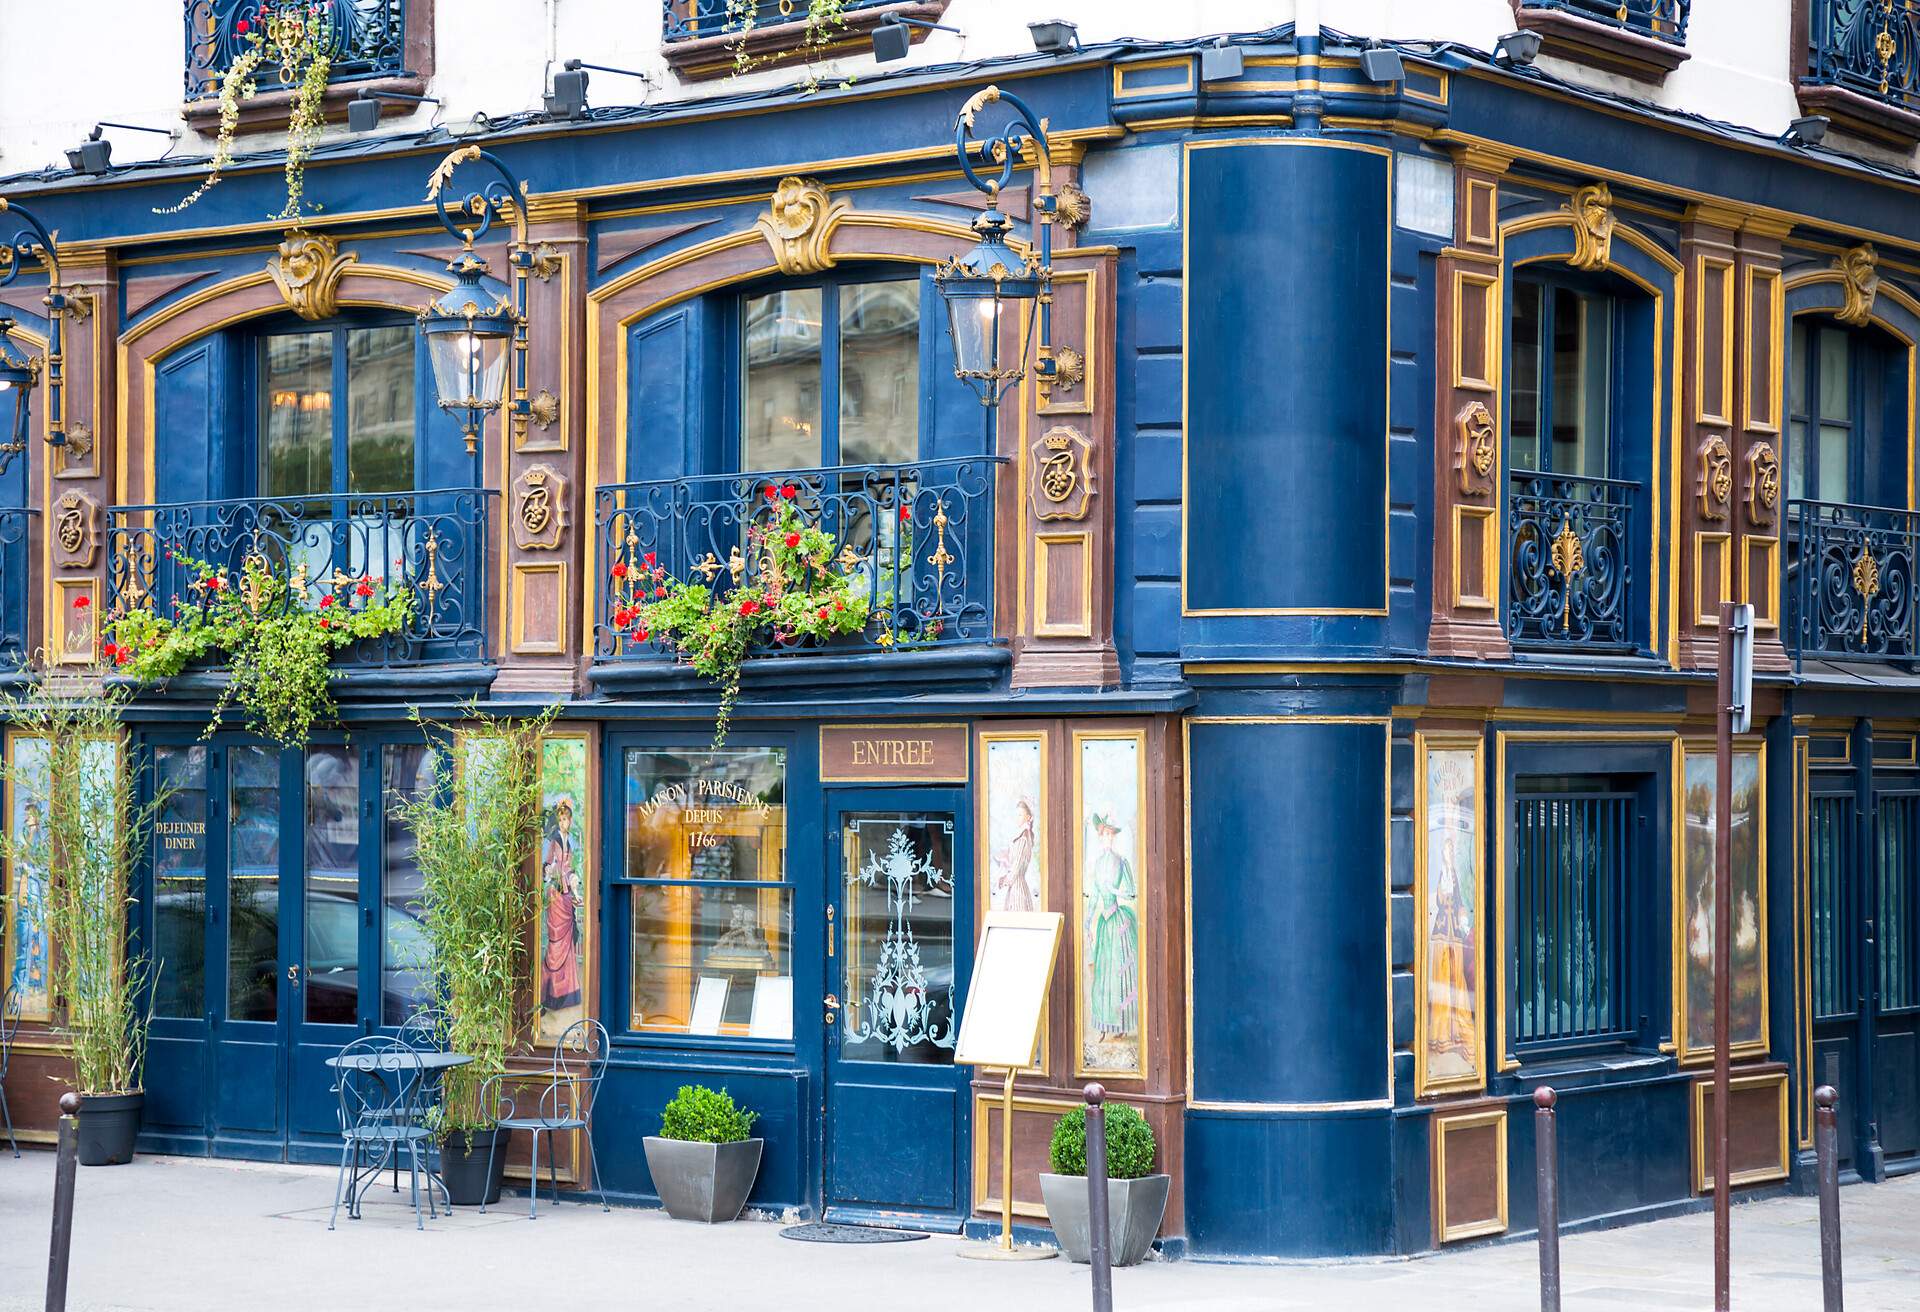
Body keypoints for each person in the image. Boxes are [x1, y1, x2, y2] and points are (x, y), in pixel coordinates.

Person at [1085, 812, 1139, 1046]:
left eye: (1110, 834)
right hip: (1104, 924)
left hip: (1118, 920)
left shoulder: (1121, 861)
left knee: (1118, 972)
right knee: (1103, 974)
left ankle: (1121, 1026)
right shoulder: (1097, 864)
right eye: (1103, 834)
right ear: (1100, 836)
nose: (1106, 837)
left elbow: (1131, 891)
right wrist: (1088, 921)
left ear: (1113, 837)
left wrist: (1114, 891)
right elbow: (1095, 895)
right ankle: (1105, 1026)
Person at [542, 797, 582, 1011]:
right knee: (556, 940)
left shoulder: (571, 843)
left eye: (566, 819)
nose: (563, 823)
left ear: (571, 820)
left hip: (566, 895)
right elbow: (548, 866)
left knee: (567, 942)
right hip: (556, 894)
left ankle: (568, 992)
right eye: (561, 819)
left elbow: (572, 870)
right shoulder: (554, 841)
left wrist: (575, 892)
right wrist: (554, 873)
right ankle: (553, 992)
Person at [992, 798, 1037, 912]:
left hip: (1018, 891)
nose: (1017, 818)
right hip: (1015, 888)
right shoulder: (1022, 837)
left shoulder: (1023, 839)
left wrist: (1003, 880)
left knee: (1018, 921)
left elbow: (1016, 867)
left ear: (1028, 817)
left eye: (1020, 815)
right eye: (1016, 815)